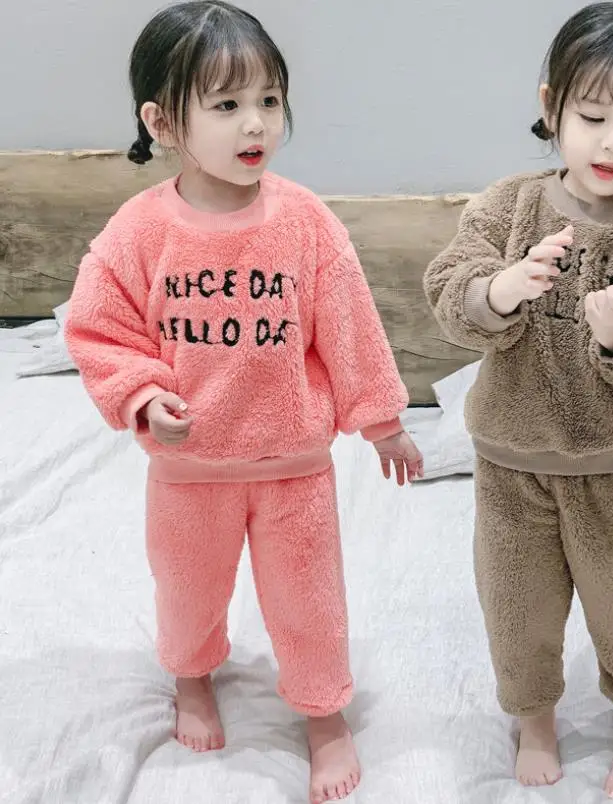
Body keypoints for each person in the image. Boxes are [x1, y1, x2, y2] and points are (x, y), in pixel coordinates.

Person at [64, 3, 422, 802]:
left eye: (268, 100)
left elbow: (350, 327)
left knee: (310, 601)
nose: (255, 123)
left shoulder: (305, 222)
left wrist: (383, 422)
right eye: (226, 105)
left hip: (294, 466)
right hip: (190, 472)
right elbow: (99, 330)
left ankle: (323, 713)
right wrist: (143, 396)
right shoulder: (137, 233)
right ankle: (192, 676)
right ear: (163, 122)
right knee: (187, 589)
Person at [423, 2, 613, 797]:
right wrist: (502, 289)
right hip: (509, 466)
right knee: (517, 607)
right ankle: (535, 719)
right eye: (592, 118)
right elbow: (449, 289)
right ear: (551, 106)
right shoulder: (509, 206)